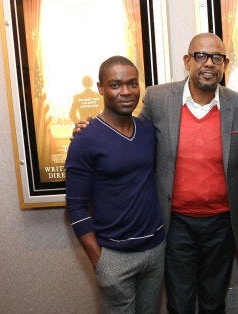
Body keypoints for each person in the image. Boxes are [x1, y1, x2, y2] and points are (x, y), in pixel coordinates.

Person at [73, 33, 238, 313]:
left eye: (217, 57)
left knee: (214, 302)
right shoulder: (158, 98)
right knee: (179, 303)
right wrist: (89, 129)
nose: (209, 63)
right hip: (176, 224)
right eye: (201, 56)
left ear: (225, 64)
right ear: (187, 61)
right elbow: (128, 131)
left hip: (222, 224)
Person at [65, 56, 165, 313]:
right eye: (116, 85)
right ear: (100, 88)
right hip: (114, 256)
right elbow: (76, 207)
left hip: (154, 250)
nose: (126, 92)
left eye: (132, 84)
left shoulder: (146, 131)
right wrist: (100, 261)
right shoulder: (85, 140)